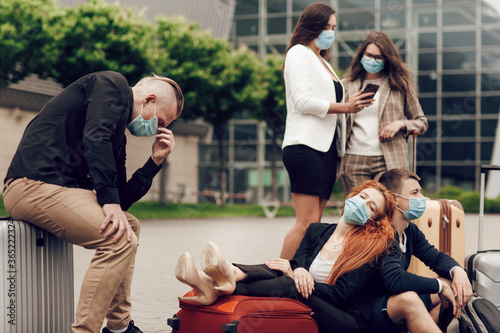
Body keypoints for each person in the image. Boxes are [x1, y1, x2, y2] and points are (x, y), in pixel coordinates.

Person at [3, 71, 184, 333]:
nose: (158, 130)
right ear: (149, 101)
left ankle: (119, 327)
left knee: (128, 227)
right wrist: (108, 201)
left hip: (56, 190)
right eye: (161, 122)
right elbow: (95, 138)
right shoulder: (111, 84)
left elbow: (119, 201)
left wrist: (154, 162)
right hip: (31, 185)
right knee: (119, 239)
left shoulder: (116, 136)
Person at [175, 180, 402, 333]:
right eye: (362, 197)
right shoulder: (316, 231)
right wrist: (297, 271)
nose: (362, 204)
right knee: (281, 266)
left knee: (291, 282)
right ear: (352, 196)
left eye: (371, 207)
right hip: (311, 298)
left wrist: (302, 279)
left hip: (345, 318)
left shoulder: (368, 247)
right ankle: (227, 274)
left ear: (372, 220)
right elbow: (295, 264)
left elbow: (342, 295)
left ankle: (216, 282)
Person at [280, 2, 376, 259]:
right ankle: (276, 275)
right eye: (326, 27)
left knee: (315, 224)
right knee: (306, 223)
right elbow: (302, 101)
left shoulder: (323, 62)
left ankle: (295, 277)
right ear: (311, 25)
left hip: (325, 150)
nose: (330, 32)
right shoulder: (298, 53)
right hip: (305, 146)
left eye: (333, 27)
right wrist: (346, 107)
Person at [367, 168, 473, 332]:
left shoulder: (409, 231)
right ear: (395, 199)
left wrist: (458, 271)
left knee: (454, 287)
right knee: (412, 298)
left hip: (393, 302)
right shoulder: (380, 232)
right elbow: (395, 280)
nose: (422, 198)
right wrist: (439, 285)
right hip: (370, 308)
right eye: (415, 192)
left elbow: (436, 258)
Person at [339, 30, 428, 196]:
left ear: (387, 59)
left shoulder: (399, 84)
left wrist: (400, 124)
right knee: (359, 214)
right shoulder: (346, 85)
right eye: (369, 55)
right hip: (353, 159)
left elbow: (421, 121)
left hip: (389, 159)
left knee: (389, 211)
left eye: (378, 57)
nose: (372, 60)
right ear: (361, 55)